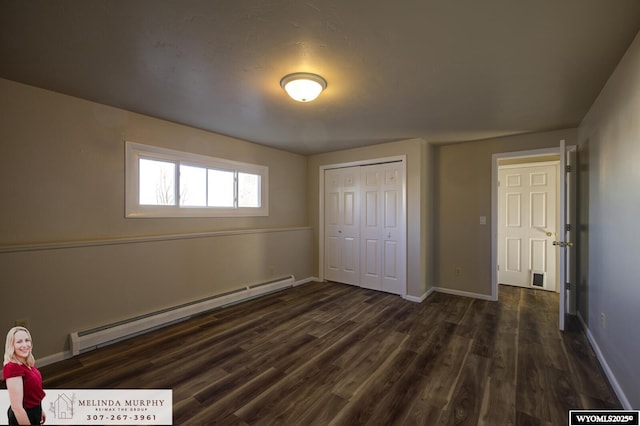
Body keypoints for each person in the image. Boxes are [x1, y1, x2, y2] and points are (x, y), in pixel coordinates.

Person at [2, 327, 46, 425]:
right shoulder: (12, 367)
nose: (25, 345)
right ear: (11, 345)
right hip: (23, 416)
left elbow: (32, 393)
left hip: (34, 411)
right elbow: (17, 408)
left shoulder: (25, 362)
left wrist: (39, 410)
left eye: (27, 340)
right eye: (19, 342)